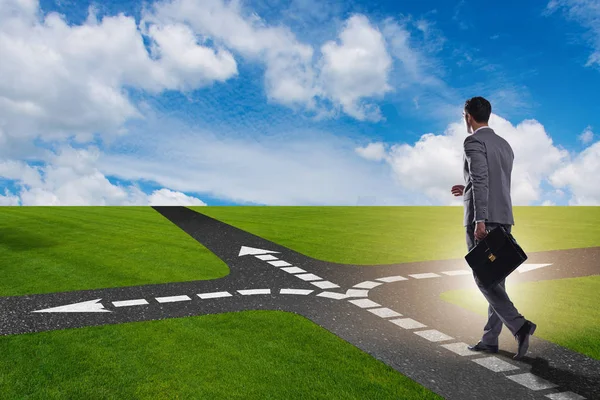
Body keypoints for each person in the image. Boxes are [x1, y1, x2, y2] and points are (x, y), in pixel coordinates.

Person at [451, 96, 536, 360]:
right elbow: (490, 180)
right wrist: (464, 187)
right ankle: (490, 339)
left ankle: (519, 325)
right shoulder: (504, 145)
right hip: (504, 217)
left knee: (483, 276)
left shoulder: (472, 141)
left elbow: (480, 178)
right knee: (496, 278)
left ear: (468, 116)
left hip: (483, 219)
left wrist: (480, 220)